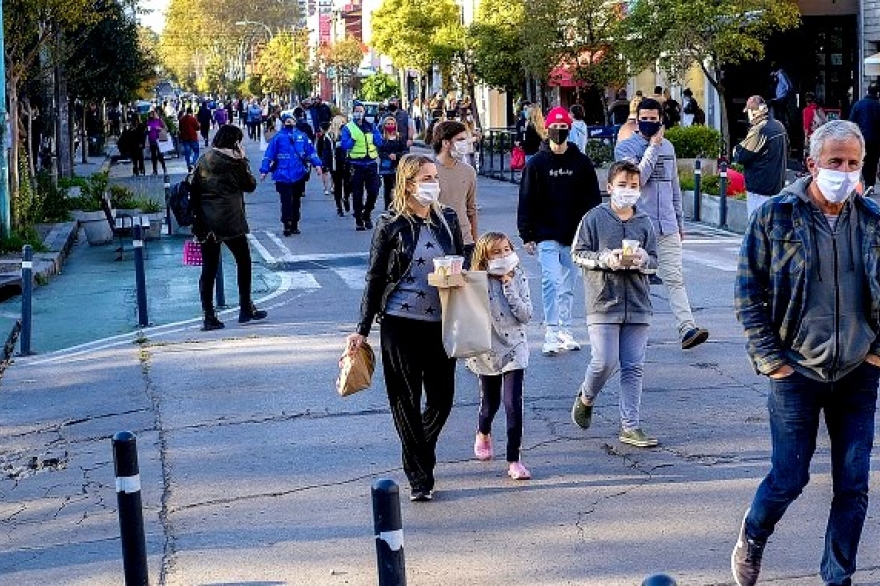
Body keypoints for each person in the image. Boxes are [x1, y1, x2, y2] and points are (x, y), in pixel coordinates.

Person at [731, 120, 880, 586]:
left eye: (853, 163)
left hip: (858, 370)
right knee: (789, 476)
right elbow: (747, 291)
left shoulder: (874, 220)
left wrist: (877, 352)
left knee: (853, 485)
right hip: (795, 370)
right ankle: (754, 533)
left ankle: (837, 578)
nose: (845, 171)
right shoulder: (775, 215)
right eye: (836, 162)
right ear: (812, 164)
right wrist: (771, 360)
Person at [345, 154, 466, 502]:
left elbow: (460, 260)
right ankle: (419, 477)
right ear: (409, 183)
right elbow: (375, 276)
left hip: (440, 321)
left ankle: (418, 454)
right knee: (405, 399)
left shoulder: (448, 220)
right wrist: (362, 328)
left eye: (435, 178)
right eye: (426, 178)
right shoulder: (390, 223)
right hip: (400, 323)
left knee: (442, 400)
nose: (434, 184)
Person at [570, 160, 659, 447]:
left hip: (637, 302)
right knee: (604, 361)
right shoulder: (594, 218)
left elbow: (656, 262)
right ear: (609, 187)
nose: (628, 191)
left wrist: (644, 261)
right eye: (622, 185)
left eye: (633, 186)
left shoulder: (644, 222)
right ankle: (586, 396)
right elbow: (577, 253)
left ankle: (630, 426)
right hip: (602, 301)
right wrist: (604, 259)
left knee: (633, 366)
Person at [615, 98, 709, 350]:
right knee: (631, 279)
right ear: (637, 119)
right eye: (643, 119)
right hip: (634, 226)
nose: (648, 123)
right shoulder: (625, 148)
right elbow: (638, 179)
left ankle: (687, 327)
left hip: (667, 226)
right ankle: (627, 332)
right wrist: (652, 147)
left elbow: (673, 186)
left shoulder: (668, 147)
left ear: (660, 120)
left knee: (675, 278)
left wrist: (679, 221)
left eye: (652, 119)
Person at [518, 106, 601, 356]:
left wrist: (593, 232)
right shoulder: (536, 164)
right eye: (555, 128)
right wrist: (527, 233)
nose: (559, 132)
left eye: (564, 128)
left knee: (568, 284)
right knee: (551, 281)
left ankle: (565, 329)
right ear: (547, 129)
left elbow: (593, 200)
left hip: (574, 235)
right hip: (545, 233)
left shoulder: (582, 163)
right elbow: (527, 198)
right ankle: (551, 331)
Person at [467, 231, 533, 481]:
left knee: (512, 404)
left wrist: (507, 285)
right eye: (496, 252)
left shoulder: (518, 276)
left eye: (507, 249)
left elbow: (526, 314)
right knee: (489, 405)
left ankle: (514, 460)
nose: (504, 255)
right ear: (484, 257)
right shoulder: (475, 281)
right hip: (486, 349)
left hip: (514, 346)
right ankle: (483, 432)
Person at [191, 124, 266, 331]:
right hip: (230, 219)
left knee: (209, 268)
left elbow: (194, 187)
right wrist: (242, 159)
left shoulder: (204, 159)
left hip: (206, 222)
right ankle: (245, 307)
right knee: (243, 261)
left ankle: (208, 315)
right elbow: (250, 185)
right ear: (234, 142)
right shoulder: (235, 162)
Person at [258, 111, 324, 236]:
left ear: (295, 121)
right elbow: (269, 155)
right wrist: (264, 170)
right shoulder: (277, 138)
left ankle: (294, 223)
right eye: (287, 120)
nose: (290, 122)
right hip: (282, 175)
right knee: (286, 200)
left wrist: (317, 165)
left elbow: (311, 152)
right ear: (283, 122)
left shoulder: (302, 136)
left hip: (298, 174)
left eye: (291, 120)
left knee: (296, 200)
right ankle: (286, 224)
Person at [733, 95, 790, 217]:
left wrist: (735, 150)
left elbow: (741, 155)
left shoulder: (759, 130)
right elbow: (788, 151)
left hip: (759, 187)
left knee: (756, 225)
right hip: (777, 186)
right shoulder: (779, 126)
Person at [433, 120, 478, 265]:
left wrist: (475, 242)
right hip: (436, 241)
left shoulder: (468, 172)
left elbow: (471, 209)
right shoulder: (429, 170)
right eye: (460, 140)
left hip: (465, 241)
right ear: (446, 143)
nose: (465, 144)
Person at [340, 101, 384, 230]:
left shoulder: (371, 126)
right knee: (357, 194)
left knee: (374, 191)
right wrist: (352, 140)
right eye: (356, 111)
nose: (359, 113)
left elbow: (379, 142)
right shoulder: (348, 128)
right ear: (353, 112)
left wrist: (375, 137)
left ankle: (367, 213)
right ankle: (359, 219)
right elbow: (344, 146)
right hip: (356, 164)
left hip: (370, 163)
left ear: (364, 112)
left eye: (361, 111)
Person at [848, 83, 880, 189]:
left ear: (867, 91)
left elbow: (851, 121)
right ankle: (870, 183)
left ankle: (864, 181)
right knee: (873, 160)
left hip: (862, 138)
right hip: (876, 139)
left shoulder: (859, 104)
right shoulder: (878, 105)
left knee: (863, 159)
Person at [378, 115, 406, 209]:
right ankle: (388, 206)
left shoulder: (400, 137)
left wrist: (396, 155)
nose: (391, 125)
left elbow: (405, 151)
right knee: (388, 187)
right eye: (388, 124)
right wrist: (388, 155)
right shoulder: (382, 138)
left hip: (398, 165)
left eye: (393, 124)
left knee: (398, 186)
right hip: (386, 166)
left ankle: (398, 205)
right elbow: (379, 152)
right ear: (385, 125)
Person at [327, 115, 351, 217]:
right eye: (341, 122)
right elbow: (326, 151)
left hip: (347, 162)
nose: (343, 124)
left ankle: (345, 197)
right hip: (335, 164)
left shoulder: (348, 133)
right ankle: (339, 207)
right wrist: (325, 164)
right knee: (337, 185)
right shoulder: (330, 136)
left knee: (348, 183)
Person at [178, 107, 201, 172]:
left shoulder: (181, 119)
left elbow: (180, 129)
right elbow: (197, 128)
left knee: (187, 153)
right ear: (191, 112)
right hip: (193, 138)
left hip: (185, 138)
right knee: (196, 152)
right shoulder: (193, 119)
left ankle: (188, 165)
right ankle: (193, 163)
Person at [145, 110, 167, 176]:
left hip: (158, 140)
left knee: (160, 156)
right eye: (149, 115)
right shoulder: (148, 122)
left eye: (152, 114)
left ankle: (164, 168)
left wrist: (160, 128)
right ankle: (155, 170)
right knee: (153, 156)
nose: (151, 116)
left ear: (154, 115)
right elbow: (146, 131)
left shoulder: (159, 120)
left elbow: (165, 128)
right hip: (151, 140)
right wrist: (147, 130)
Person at [317, 121, 335, 198]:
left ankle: (326, 188)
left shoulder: (321, 137)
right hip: (332, 157)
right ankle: (332, 187)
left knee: (325, 173)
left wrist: (319, 157)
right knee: (333, 172)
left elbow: (318, 148)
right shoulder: (332, 136)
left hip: (324, 157)